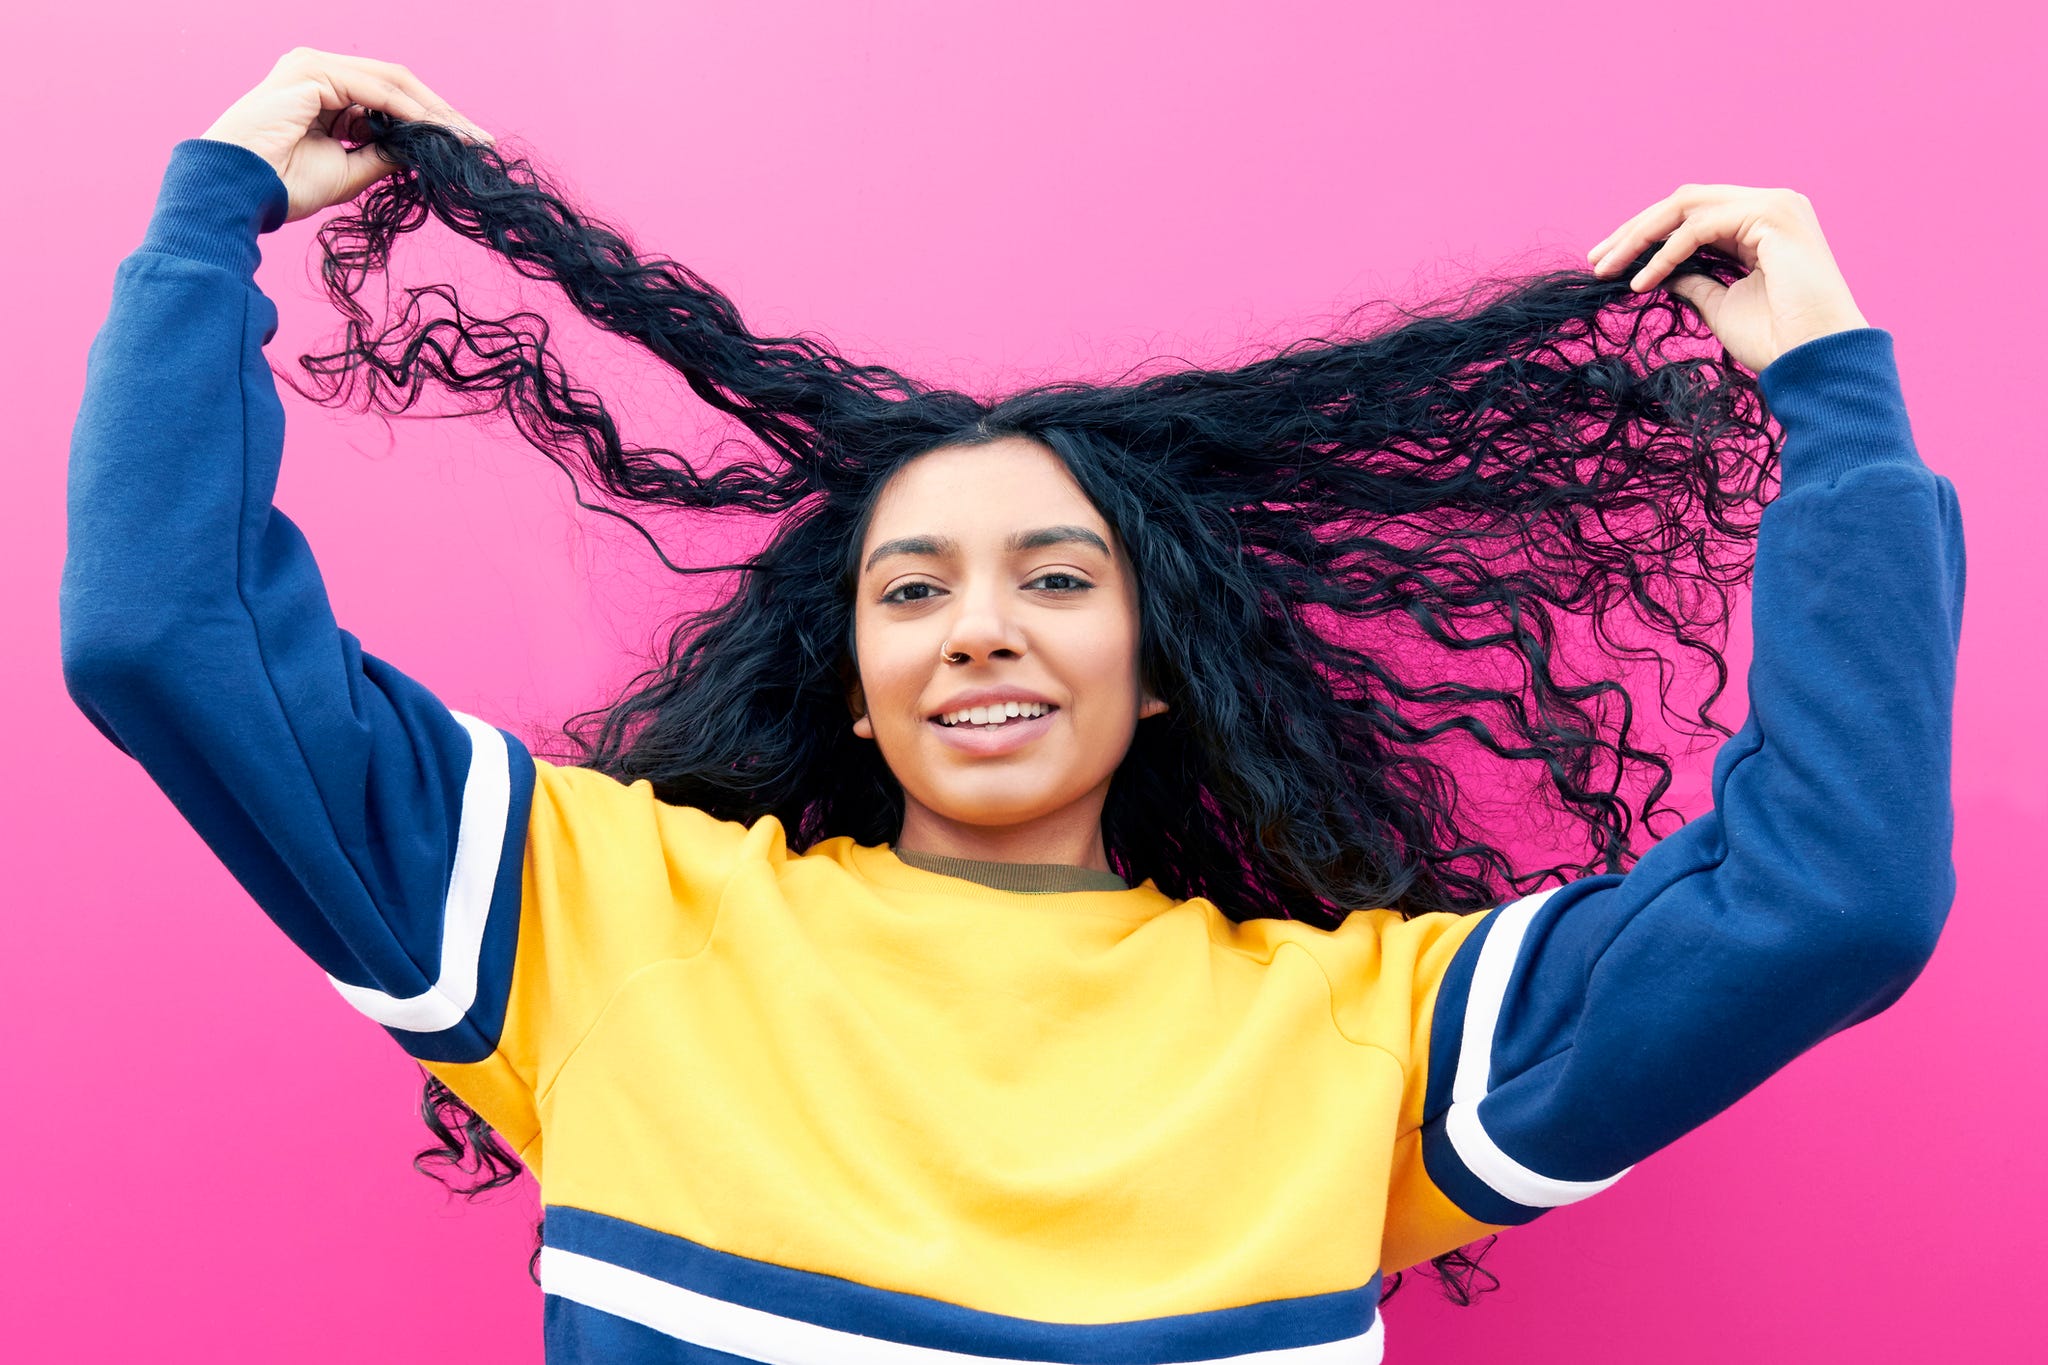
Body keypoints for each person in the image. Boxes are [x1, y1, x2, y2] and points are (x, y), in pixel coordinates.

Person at [60, 47, 1963, 1365]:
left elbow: (1832, 898)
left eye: (1059, 580)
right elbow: (163, 630)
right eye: (914, 589)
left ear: (1158, 682)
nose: (981, 629)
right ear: (857, 690)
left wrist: (1839, 405)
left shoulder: (1361, 1034)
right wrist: (210, 214)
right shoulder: (595, 917)